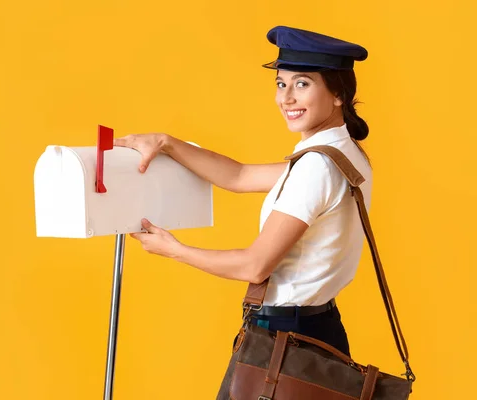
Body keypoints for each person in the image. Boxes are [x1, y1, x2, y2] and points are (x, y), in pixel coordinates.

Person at [113, 25, 372, 357]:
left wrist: (173, 249)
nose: (286, 97)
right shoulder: (344, 155)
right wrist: (167, 143)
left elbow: (255, 267)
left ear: (338, 94)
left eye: (302, 84)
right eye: (281, 84)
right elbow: (239, 176)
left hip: (288, 340)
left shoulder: (317, 167)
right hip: (319, 330)